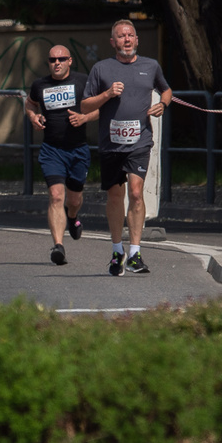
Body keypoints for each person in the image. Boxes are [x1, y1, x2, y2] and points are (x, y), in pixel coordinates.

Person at [82, 19, 172, 276]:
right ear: (113, 42)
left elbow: (166, 90)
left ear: (136, 39)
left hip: (140, 142)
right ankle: (116, 249)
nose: (127, 39)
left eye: (130, 35)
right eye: (121, 36)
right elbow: (86, 106)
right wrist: (107, 95)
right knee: (114, 196)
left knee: (135, 192)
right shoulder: (101, 69)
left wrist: (162, 105)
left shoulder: (150, 66)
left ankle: (135, 253)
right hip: (111, 144)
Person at [25, 45, 98, 265]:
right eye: (52, 60)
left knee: (73, 200)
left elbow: (103, 106)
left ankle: (73, 217)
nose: (56, 63)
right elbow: (30, 103)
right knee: (56, 196)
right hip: (52, 150)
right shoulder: (40, 85)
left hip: (77, 149)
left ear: (70, 61)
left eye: (61, 59)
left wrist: (85, 118)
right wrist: (33, 117)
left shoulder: (83, 81)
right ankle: (58, 246)